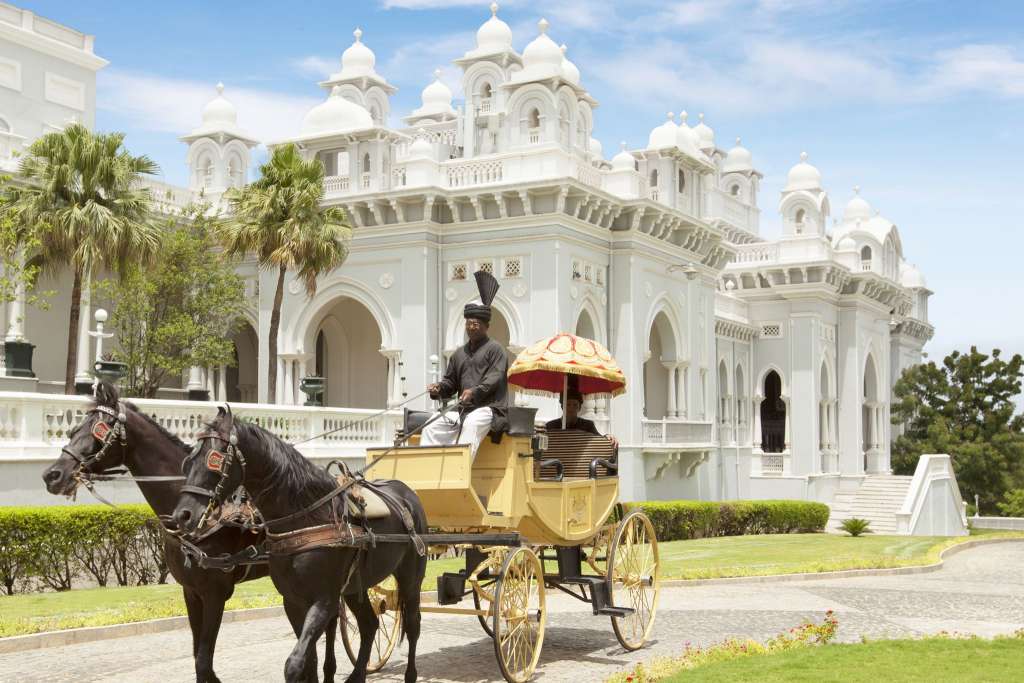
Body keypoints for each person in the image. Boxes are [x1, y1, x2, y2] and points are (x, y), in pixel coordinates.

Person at [421, 271, 507, 458]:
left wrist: (474, 391)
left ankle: (460, 474)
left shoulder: (496, 349)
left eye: (475, 324)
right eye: (468, 323)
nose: (471, 327)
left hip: (490, 409)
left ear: (486, 326)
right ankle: (428, 470)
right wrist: (439, 388)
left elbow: (495, 377)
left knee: (471, 424)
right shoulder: (459, 353)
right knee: (432, 424)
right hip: (463, 410)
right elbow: (450, 383)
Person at [545, 387, 619, 449]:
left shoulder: (587, 425)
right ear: (562, 407)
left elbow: (598, 439)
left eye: (575, 405)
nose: (571, 408)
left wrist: (608, 437)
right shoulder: (550, 426)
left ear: (579, 408)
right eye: (568, 404)